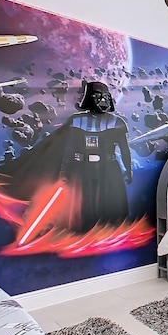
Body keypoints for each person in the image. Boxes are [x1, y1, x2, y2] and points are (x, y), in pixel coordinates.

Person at [58, 81, 132, 232]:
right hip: (82, 168)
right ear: (89, 98)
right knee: (84, 204)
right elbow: (68, 149)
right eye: (98, 97)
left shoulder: (116, 122)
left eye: (105, 97)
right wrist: (63, 171)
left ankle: (109, 231)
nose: (102, 101)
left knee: (110, 204)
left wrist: (128, 169)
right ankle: (84, 231)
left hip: (108, 167)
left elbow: (125, 150)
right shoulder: (76, 121)